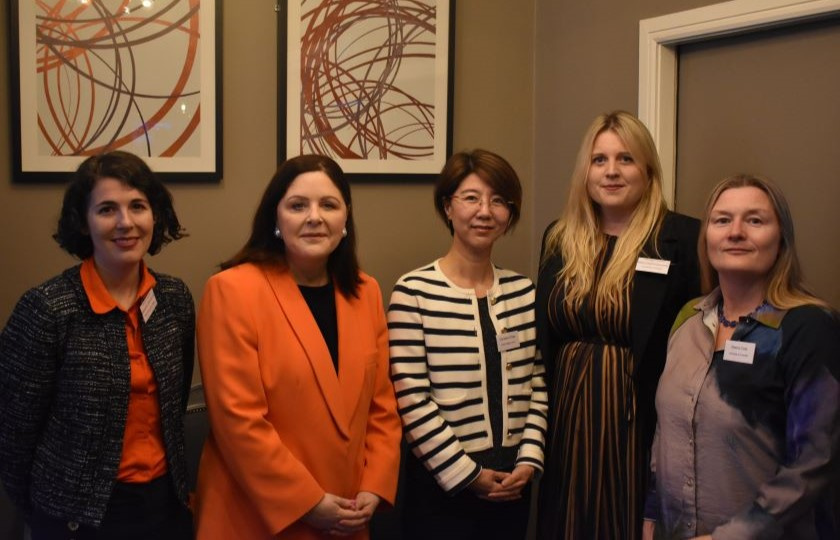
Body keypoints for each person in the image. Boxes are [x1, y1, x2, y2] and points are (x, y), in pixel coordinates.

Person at [194, 155, 402, 539]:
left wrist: (375, 485)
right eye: (297, 205)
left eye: (328, 204)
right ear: (276, 218)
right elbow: (238, 422)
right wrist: (307, 502)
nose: (314, 217)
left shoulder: (366, 291)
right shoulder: (232, 291)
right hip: (256, 517)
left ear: (346, 218)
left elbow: (382, 407)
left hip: (347, 514)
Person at [0, 151, 194, 539]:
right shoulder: (47, 309)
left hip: (163, 508)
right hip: (75, 520)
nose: (126, 223)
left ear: (154, 215)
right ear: (83, 222)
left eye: (137, 206)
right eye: (107, 209)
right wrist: (47, 513)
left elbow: (174, 406)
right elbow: (12, 438)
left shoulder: (174, 300)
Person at [644, 174, 840, 539]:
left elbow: (816, 463)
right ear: (707, 238)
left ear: (781, 239)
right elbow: (664, 434)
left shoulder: (808, 328)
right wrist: (651, 516)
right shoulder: (688, 319)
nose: (735, 232)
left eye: (755, 220)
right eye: (722, 220)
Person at [536, 111, 701, 539]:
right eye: (599, 160)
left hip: (637, 420)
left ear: (647, 170)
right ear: (585, 171)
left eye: (625, 159)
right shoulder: (559, 238)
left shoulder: (681, 238)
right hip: (566, 421)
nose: (611, 171)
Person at [389, 149, 547, 539]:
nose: (485, 211)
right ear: (448, 207)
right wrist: (468, 475)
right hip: (442, 488)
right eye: (471, 197)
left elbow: (538, 385)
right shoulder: (413, 293)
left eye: (498, 201)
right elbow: (411, 399)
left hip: (513, 484)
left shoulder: (524, 292)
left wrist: (528, 461)